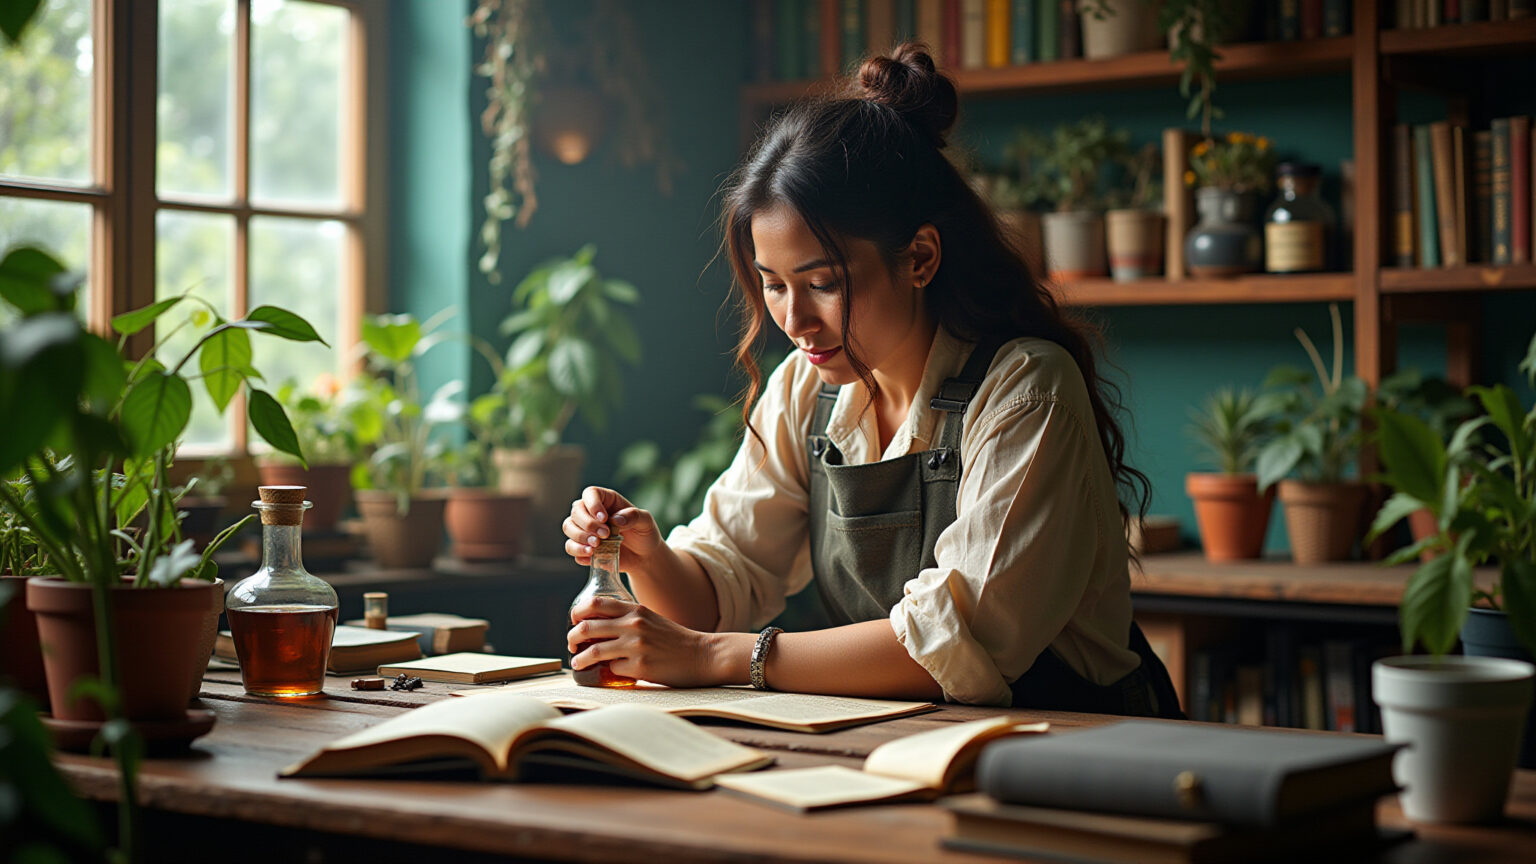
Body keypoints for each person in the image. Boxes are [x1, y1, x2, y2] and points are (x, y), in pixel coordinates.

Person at [561, 43, 1181, 716]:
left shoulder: (1026, 390)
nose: (794, 321)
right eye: (774, 285)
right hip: (910, 743)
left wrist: (718, 657)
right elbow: (719, 589)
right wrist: (647, 557)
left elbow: (963, 637)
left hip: (1082, 747)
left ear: (919, 258)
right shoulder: (806, 392)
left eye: (823, 283)